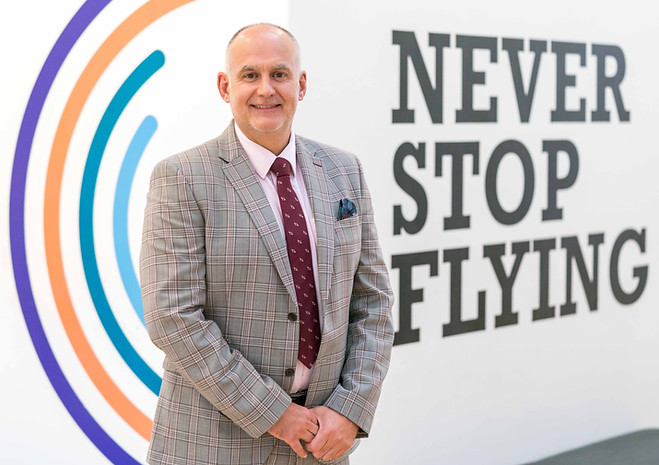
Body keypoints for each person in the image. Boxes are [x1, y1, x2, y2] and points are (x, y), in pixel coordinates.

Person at [140, 23, 394, 465]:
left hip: (322, 442)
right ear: (225, 87)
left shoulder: (344, 170)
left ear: (301, 84)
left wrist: (350, 409)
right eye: (249, 75)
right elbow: (173, 317)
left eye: (279, 74)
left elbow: (373, 302)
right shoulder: (182, 177)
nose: (265, 89)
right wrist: (275, 413)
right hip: (213, 443)